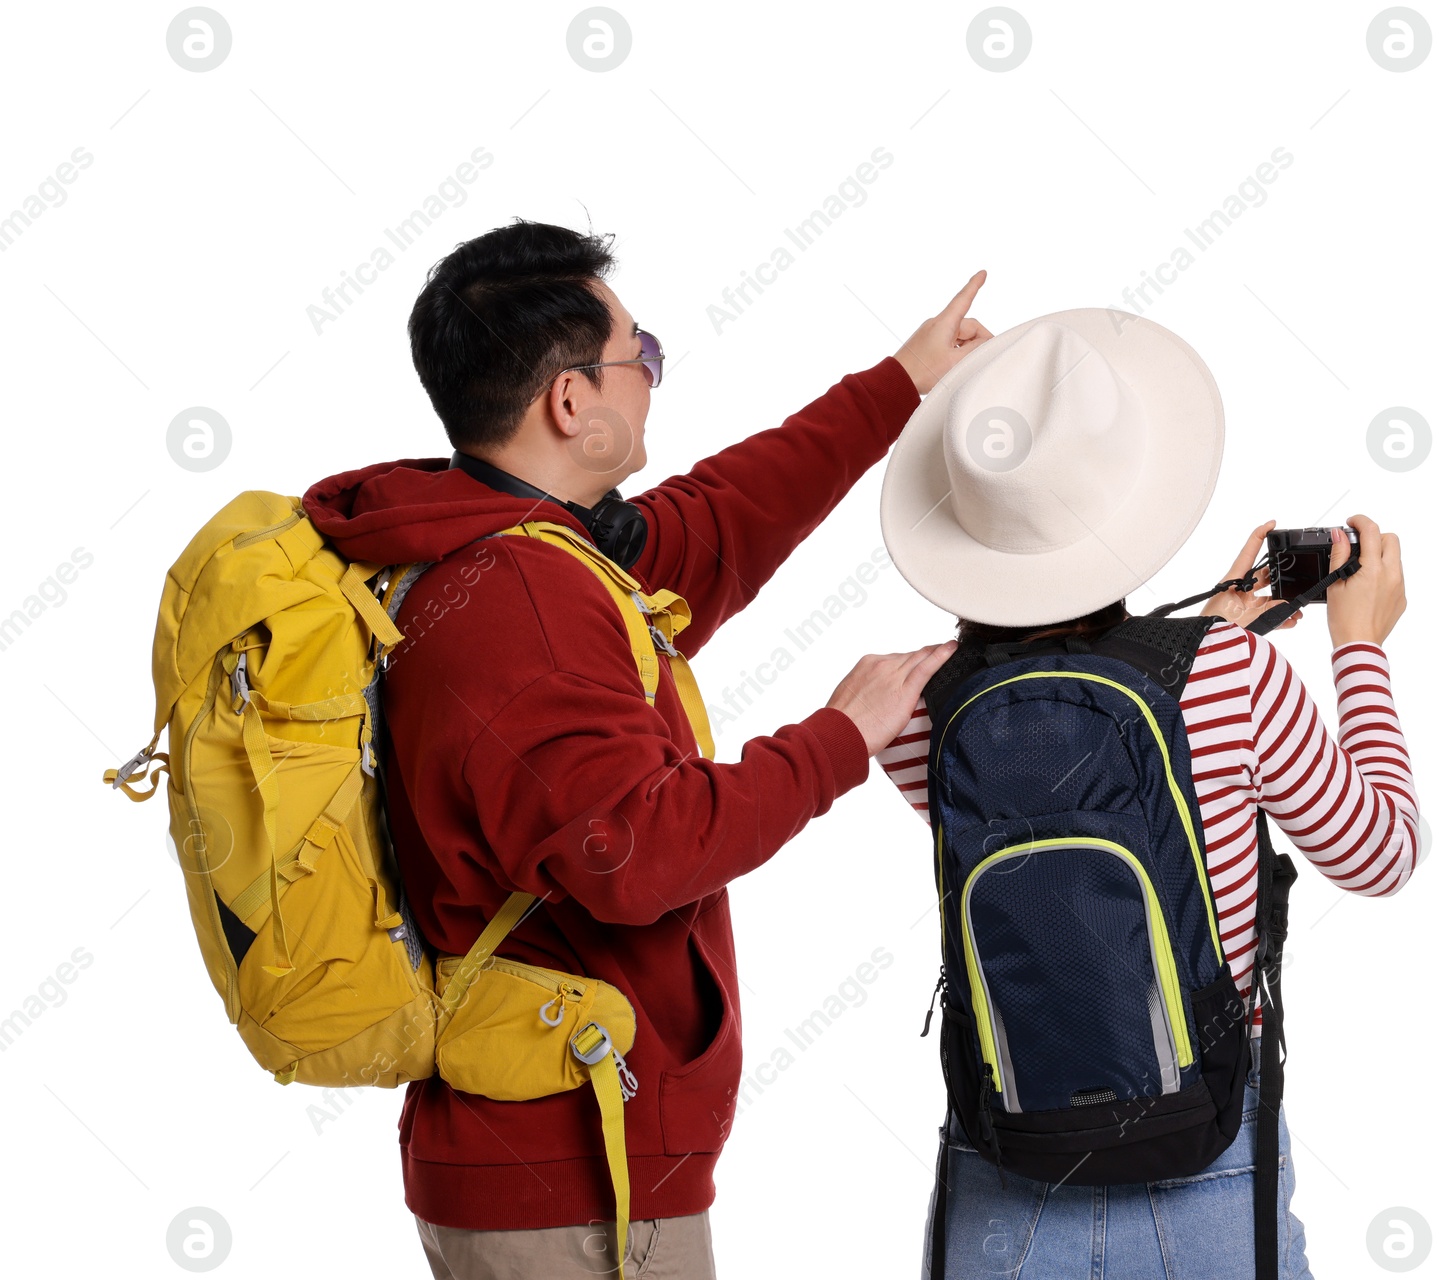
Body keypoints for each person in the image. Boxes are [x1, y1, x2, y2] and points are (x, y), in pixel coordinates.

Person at [300, 220, 988, 1278]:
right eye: (643, 356)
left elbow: (715, 525)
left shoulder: (524, 550)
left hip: (566, 1147)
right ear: (571, 401)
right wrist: (836, 738)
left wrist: (900, 383)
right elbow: (636, 851)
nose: (654, 381)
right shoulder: (519, 603)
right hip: (571, 1176)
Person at [872, 310, 1417, 1279]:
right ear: (1127, 505)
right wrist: (1357, 643)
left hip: (1008, 1155)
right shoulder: (1230, 675)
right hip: (1207, 1141)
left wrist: (1204, 633)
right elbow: (1378, 855)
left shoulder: (909, 701)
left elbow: (1051, 779)